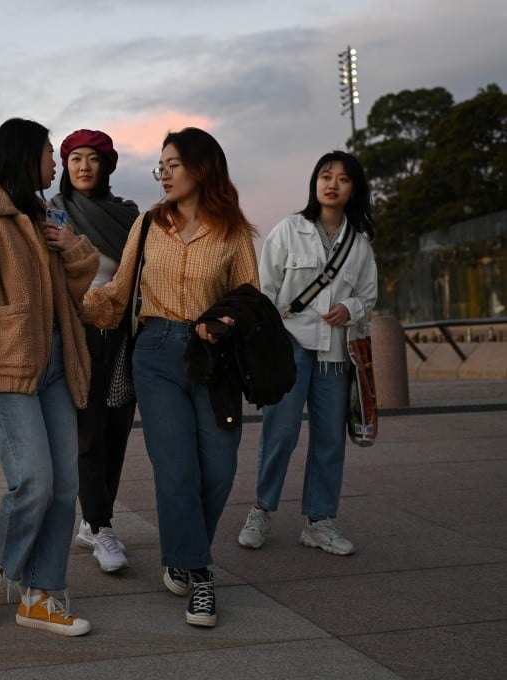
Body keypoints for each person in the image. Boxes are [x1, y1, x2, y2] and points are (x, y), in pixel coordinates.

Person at [83, 127, 259, 628]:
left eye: (173, 164)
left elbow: (250, 303)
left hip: (214, 360)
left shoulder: (233, 233)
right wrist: (72, 306)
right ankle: (200, 576)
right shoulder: (147, 225)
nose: (163, 173)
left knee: (220, 468)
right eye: (160, 165)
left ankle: (183, 550)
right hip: (156, 353)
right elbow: (117, 293)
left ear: (201, 168)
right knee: (177, 470)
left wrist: (223, 324)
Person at [0, 117, 99, 636]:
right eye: (51, 153)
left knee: (64, 486)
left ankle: (42, 594)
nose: (57, 163)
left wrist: (70, 245)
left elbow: (80, 285)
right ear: (25, 156)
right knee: (33, 480)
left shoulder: (44, 214)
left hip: (57, 361)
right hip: (10, 367)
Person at [237, 150, 378, 556]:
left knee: (330, 440)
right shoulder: (288, 230)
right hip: (291, 348)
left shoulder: (359, 243)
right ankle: (261, 510)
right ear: (314, 183)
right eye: (325, 175)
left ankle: (319, 521)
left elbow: (368, 295)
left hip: (335, 353)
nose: (332, 183)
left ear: (353, 190)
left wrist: (349, 308)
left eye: (343, 178)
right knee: (279, 434)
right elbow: (265, 290)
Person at [49, 129, 139, 573]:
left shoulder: (128, 215)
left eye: (93, 159)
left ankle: (93, 522)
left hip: (121, 332)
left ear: (107, 166)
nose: (83, 167)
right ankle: (101, 526)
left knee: (117, 430)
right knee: (89, 431)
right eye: (75, 159)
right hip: (78, 332)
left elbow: (138, 272)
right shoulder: (53, 214)